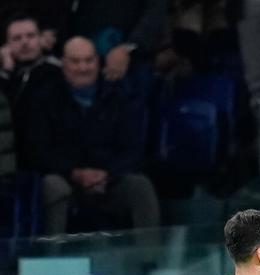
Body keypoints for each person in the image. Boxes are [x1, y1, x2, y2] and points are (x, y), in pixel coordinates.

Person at [26, 36, 160, 237]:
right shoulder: (45, 99)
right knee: (52, 187)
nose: (83, 68)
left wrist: (106, 174)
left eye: (89, 60)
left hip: (109, 180)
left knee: (140, 186)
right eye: (76, 61)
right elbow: (39, 150)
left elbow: (134, 148)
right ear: (63, 63)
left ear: (98, 62)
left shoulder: (120, 98)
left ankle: (149, 261)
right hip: (66, 179)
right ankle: (51, 260)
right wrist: (75, 173)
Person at [0, 12, 60, 163]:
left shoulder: (57, 72)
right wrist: (6, 71)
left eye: (30, 36)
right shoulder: (6, 75)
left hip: (46, 156)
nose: (24, 42)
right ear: (6, 45)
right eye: (17, 38)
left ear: (41, 39)